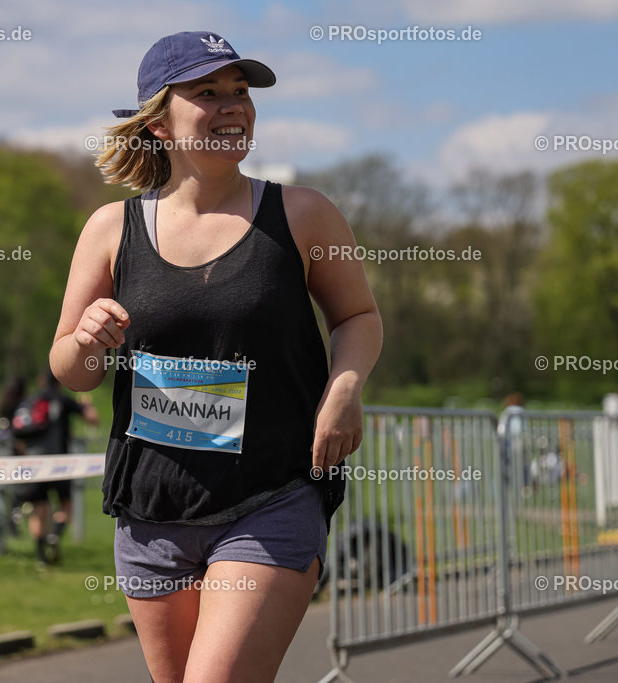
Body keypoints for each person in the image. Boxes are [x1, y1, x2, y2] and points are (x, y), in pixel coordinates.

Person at [49, 32, 382, 682]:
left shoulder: (303, 214)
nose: (233, 107)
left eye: (241, 93)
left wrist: (345, 386)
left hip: (270, 497)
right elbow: (72, 372)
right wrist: (85, 338)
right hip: (151, 511)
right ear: (158, 119)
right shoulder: (110, 230)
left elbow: (358, 317)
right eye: (207, 93)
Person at [10, 368, 98, 564]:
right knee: (65, 505)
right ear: (59, 381)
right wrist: (86, 405)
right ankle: (54, 536)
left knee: (39, 509)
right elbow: (92, 419)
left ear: (41, 380)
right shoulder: (63, 399)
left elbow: (17, 432)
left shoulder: (30, 401)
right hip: (60, 463)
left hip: (34, 462)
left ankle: (42, 557)